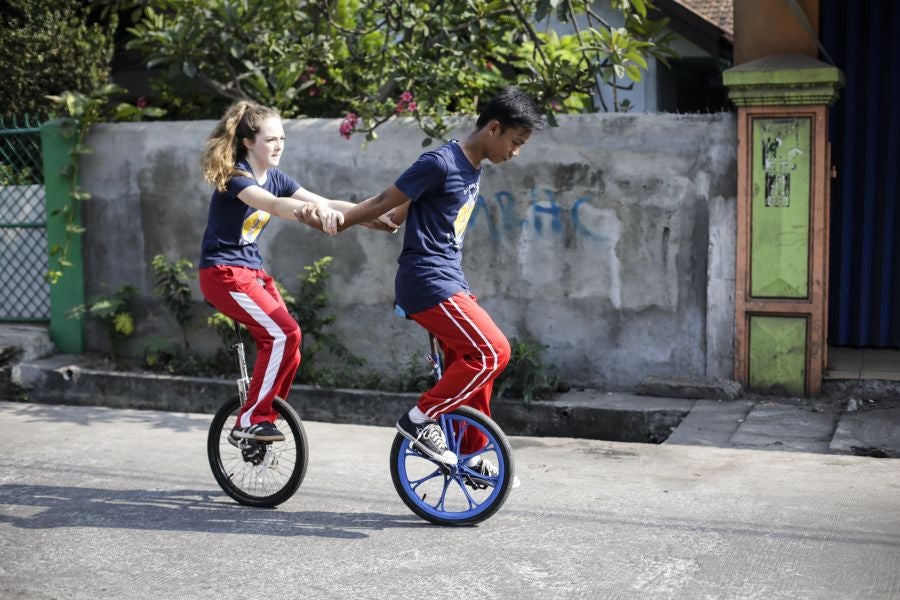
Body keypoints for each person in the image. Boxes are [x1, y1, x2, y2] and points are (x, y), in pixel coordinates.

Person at [303, 86, 543, 475]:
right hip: (427, 281)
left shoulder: (472, 167)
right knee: (492, 352)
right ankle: (421, 418)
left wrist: (340, 212)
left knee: (472, 365)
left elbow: (389, 220)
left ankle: (469, 452)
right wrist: (337, 222)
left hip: (450, 281)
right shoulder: (440, 162)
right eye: (515, 143)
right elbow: (383, 200)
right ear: (494, 128)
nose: (516, 153)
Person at [198, 100, 387, 443]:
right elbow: (274, 205)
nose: (279, 145)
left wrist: (373, 216)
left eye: (282, 138)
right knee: (283, 334)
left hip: (250, 273)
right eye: (271, 139)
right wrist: (308, 211)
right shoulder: (237, 177)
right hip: (222, 273)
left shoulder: (278, 177)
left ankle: (264, 413)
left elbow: (327, 202)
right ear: (248, 142)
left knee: (292, 344)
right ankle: (251, 420)